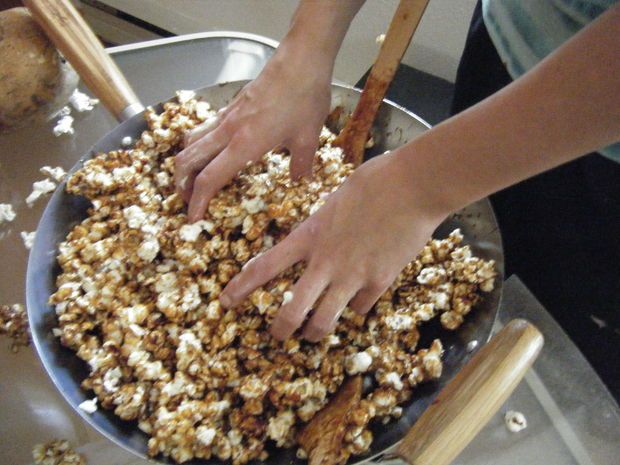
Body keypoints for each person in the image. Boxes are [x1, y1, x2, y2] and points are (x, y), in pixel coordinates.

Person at [174, 0, 619, 364]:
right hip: (518, 32)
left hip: (605, 170)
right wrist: (307, 43)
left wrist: (416, 187)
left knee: (560, 345)